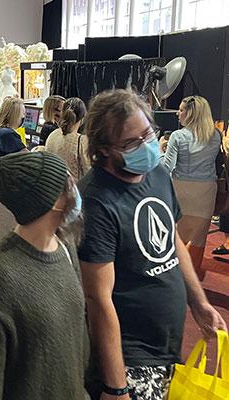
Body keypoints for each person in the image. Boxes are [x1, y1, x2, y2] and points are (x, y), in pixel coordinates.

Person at [78, 89, 226, 399]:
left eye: (149, 134)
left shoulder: (156, 173)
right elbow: (98, 299)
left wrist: (198, 303)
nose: (145, 147)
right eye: (131, 143)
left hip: (167, 346)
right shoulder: (95, 200)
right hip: (132, 358)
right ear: (104, 149)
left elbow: (171, 239)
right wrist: (116, 385)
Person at [0, 152, 88, 400]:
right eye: (67, 183)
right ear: (48, 200)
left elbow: (77, 335)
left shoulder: (66, 247)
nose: (75, 188)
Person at [160, 96, 221, 280]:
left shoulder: (178, 137)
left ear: (191, 113)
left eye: (181, 110)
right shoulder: (216, 136)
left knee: (175, 236)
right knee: (198, 239)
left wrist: (161, 150)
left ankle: (173, 279)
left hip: (181, 192)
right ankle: (191, 280)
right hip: (205, 193)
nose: (178, 113)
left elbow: (166, 168)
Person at [0, 97, 27, 254]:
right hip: (1, 189)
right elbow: (25, 157)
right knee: (2, 233)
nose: (24, 116)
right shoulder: (8, 135)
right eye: (23, 113)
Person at [45, 97, 90, 181]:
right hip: (73, 190)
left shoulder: (53, 135)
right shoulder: (82, 141)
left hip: (54, 186)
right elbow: (89, 172)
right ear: (83, 117)